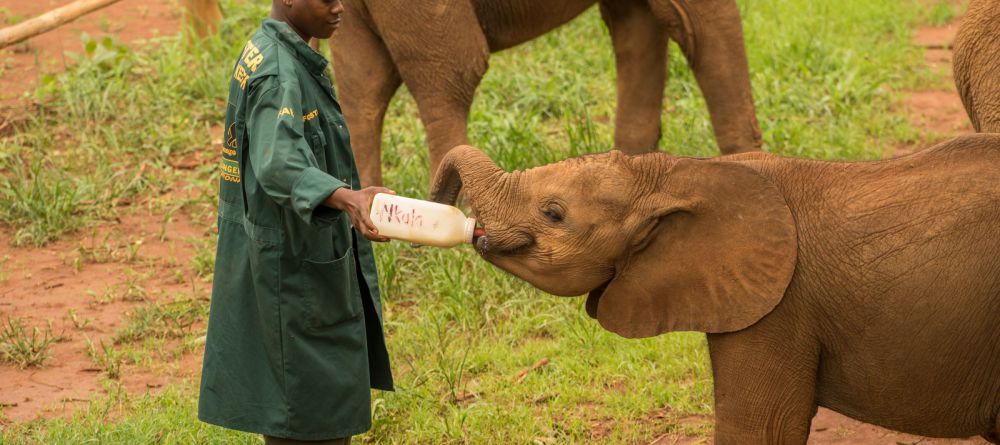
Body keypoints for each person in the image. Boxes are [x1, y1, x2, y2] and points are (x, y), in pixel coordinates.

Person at [198, 1, 394, 443]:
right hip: (295, 274)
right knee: (311, 419)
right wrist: (348, 199)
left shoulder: (264, 49)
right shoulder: (279, 74)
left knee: (297, 412)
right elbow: (279, 163)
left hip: (278, 258)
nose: (339, 6)